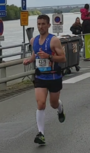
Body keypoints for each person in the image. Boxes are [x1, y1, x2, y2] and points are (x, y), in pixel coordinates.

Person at [23, 14, 66, 145]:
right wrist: (29, 60)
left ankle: (60, 108)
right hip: (40, 76)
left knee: (53, 104)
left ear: (48, 25)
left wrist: (49, 57)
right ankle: (41, 133)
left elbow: (63, 58)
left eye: (43, 24)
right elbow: (35, 53)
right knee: (41, 104)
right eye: (39, 24)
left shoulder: (54, 41)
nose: (40, 26)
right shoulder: (33, 40)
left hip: (54, 76)